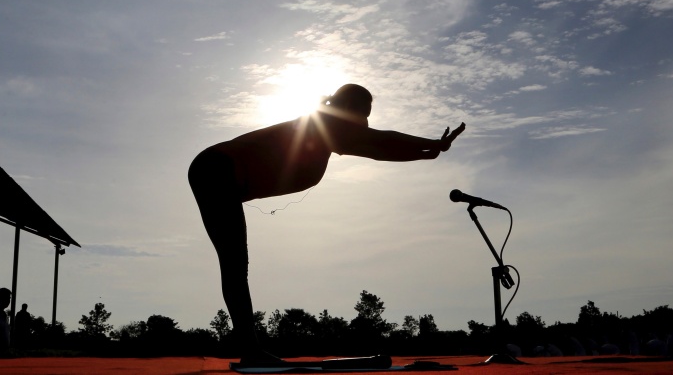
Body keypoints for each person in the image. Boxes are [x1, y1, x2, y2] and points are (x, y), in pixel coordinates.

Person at [188, 84, 465, 365]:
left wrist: (424, 152)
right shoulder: (325, 123)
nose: (366, 121)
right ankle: (250, 352)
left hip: (213, 170)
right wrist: (432, 143)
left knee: (235, 265)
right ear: (347, 108)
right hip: (216, 168)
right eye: (364, 113)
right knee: (235, 264)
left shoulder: (327, 133)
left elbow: (375, 149)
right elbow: (381, 140)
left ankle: (250, 350)